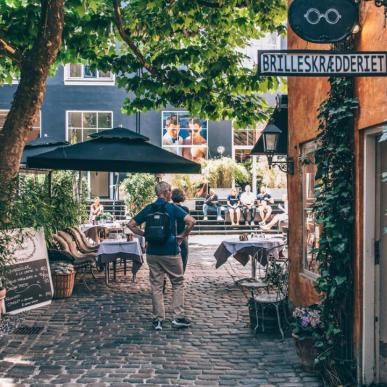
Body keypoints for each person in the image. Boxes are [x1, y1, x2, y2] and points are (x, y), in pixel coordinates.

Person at [128, 181, 196, 331]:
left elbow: (131, 224)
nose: (171, 193)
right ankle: (177, 317)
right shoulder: (173, 208)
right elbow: (192, 221)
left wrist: (145, 234)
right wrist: (182, 236)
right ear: (166, 192)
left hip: (153, 253)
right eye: (170, 191)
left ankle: (158, 320)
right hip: (170, 251)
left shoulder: (149, 208)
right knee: (177, 283)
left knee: (156, 286)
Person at [172, 188, 190, 272]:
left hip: (170, 235)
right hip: (182, 235)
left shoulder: (169, 207)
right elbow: (188, 224)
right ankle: (181, 273)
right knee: (184, 255)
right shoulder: (185, 209)